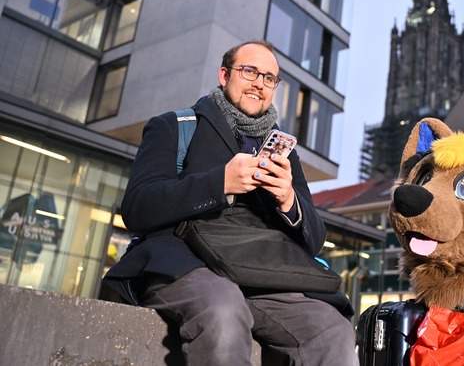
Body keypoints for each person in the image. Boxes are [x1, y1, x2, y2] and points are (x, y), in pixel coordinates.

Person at [104, 40, 358, 365]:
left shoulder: (283, 153)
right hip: (188, 264)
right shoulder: (174, 126)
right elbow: (138, 208)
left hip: (260, 273)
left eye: (269, 78)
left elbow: (315, 239)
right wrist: (220, 183)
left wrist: (288, 200)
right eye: (249, 71)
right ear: (224, 75)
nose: (259, 83)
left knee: (333, 330)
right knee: (224, 308)